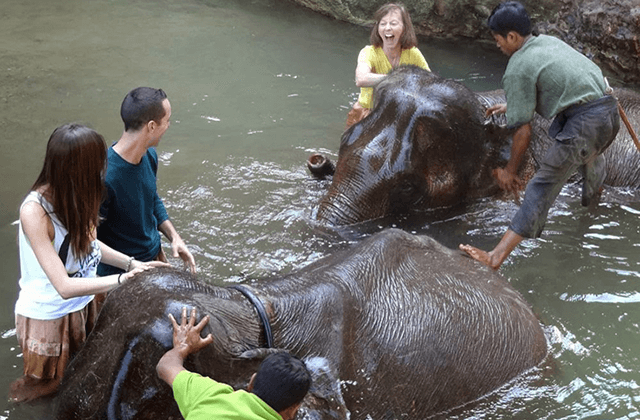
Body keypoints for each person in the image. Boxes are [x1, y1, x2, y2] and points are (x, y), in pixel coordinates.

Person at [10, 124, 166, 402]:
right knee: (43, 388)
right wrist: (122, 279)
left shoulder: (79, 195)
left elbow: (89, 245)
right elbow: (63, 286)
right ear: (77, 169)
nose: (103, 169)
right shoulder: (35, 212)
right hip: (48, 317)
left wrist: (132, 264)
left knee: (82, 374)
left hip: (86, 303)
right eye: (96, 164)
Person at [459, 1, 620, 270]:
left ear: (511, 36)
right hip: (608, 113)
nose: (497, 46)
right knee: (591, 156)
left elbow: (523, 129)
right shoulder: (548, 42)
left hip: (585, 123)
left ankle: (495, 257)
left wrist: (510, 171)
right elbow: (563, 81)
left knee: (541, 185)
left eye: (498, 40)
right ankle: (595, 200)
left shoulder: (518, 66)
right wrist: (513, 105)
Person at [97, 87, 196, 276]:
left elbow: (151, 198)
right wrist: (131, 265)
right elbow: (86, 241)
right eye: (167, 121)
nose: (169, 126)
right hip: (121, 274)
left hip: (153, 258)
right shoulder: (105, 178)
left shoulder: (149, 155)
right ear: (151, 126)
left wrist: (175, 237)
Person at [157, 307, 312, 420]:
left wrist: (183, 346)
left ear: (251, 381)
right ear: (293, 411)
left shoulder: (210, 394)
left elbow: (165, 366)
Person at [346, 2, 431, 129]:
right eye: (383, 23)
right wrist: (396, 78)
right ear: (378, 28)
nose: (387, 28)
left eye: (393, 23)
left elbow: (430, 82)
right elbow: (361, 79)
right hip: (367, 113)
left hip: (399, 115)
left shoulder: (413, 53)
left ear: (404, 28)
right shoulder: (369, 52)